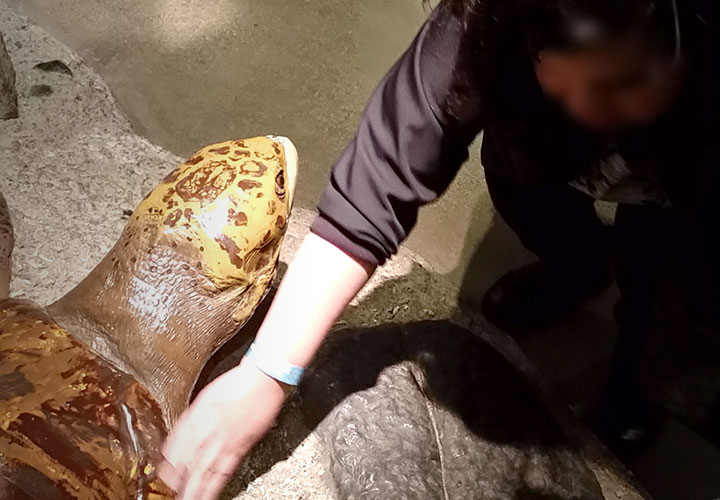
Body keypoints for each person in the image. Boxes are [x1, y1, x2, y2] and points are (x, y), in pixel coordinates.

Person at [159, 0, 720, 498]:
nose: (590, 110)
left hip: (687, 172)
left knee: (668, 279)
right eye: (563, 80)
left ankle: (637, 381)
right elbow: (379, 179)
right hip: (540, 152)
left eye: (621, 84)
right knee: (526, 188)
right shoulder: (488, 23)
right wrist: (266, 372)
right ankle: (576, 267)